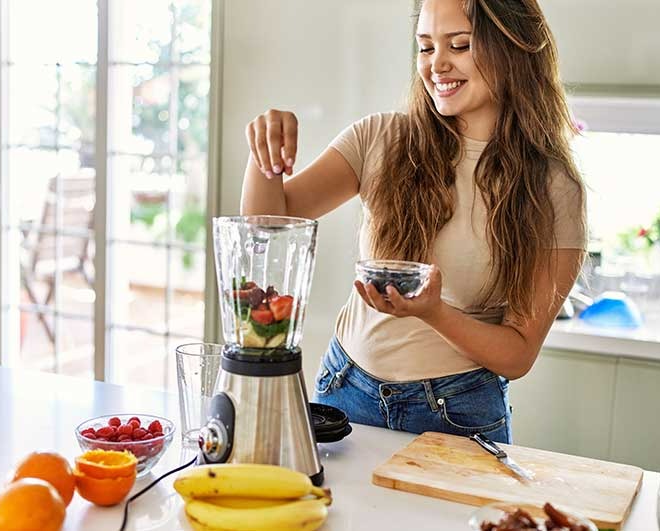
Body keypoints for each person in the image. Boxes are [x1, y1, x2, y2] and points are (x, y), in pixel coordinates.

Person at [240, 0, 586, 443]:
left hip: (458, 414)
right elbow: (267, 225)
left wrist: (435, 313)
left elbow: (517, 354)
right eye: (425, 48)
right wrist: (265, 152)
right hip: (344, 390)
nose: (437, 65)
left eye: (458, 45)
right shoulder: (381, 139)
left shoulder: (553, 187)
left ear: (514, 47)